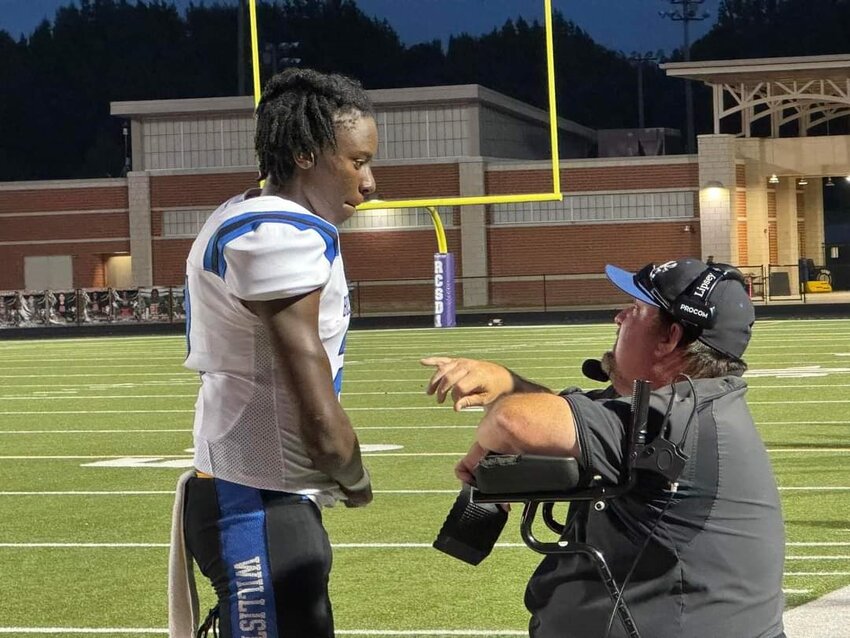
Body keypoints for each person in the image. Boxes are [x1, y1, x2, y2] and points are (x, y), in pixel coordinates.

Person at [422, 258, 785, 638]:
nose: (619, 316)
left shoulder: (673, 421)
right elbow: (572, 418)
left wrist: (496, 429)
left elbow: (514, 422)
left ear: (670, 338)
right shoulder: (697, 408)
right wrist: (506, 382)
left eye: (638, 309)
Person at [169, 67, 378, 638]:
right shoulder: (274, 231)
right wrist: (352, 475)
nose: (369, 182)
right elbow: (307, 386)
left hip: (263, 489)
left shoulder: (256, 214)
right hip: (253, 495)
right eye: (357, 162)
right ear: (307, 155)